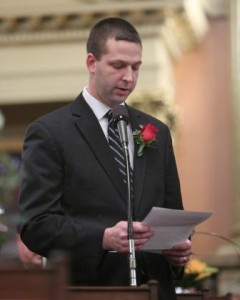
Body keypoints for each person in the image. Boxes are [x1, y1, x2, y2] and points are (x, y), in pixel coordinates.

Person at [18, 17, 192, 299]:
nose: (129, 77)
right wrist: (102, 237)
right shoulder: (50, 133)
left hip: (156, 291)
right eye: (118, 66)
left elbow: (172, 213)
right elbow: (36, 225)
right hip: (91, 290)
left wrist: (177, 251)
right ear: (91, 62)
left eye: (136, 67)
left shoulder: (155, 131)